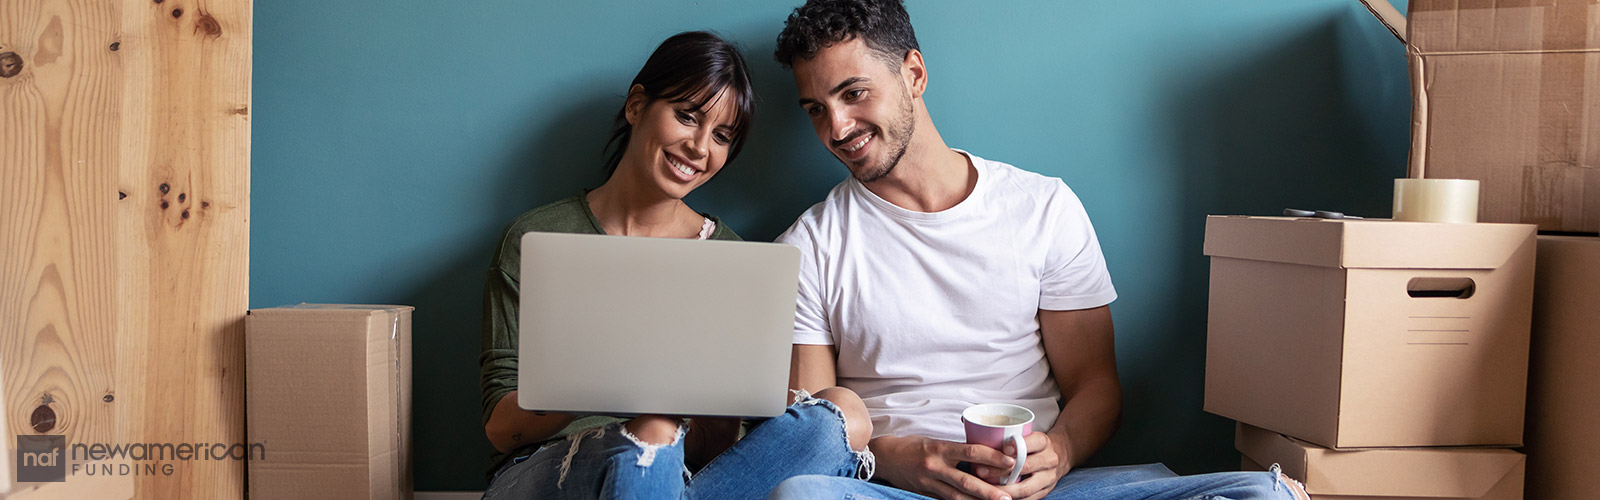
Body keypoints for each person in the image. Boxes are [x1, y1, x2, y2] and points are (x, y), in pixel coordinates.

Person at [763, 2, 1311, 500]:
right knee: (801, 496)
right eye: (815, 109)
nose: (836, 127)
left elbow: (1096, 386)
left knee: (1262, 496)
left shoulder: (1043, 207)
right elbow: (815, 433)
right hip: (892, 491)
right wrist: (898, 459)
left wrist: (1062, 452)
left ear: (913, 73)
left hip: (1043, 489)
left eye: (853, 93)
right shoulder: (811, 245)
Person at [477, 31, 873, 499]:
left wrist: (713, 416)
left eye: (722, 136)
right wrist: (599, 383)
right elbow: (503, 431)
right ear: (636, 106)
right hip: (548, 472)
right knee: (655, 426)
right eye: (687, 116)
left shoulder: (734, 260)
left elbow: (717, 456)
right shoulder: (536, 238)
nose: (700, 148)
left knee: (842, 414)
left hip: (680, 477)